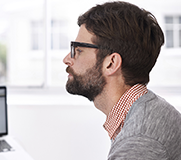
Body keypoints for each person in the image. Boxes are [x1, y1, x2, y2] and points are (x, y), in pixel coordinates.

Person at [62, 1, 181, 159]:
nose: (67, 59)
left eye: (79, 50)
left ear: (111, 63)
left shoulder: (139, 143)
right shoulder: (149, 109)